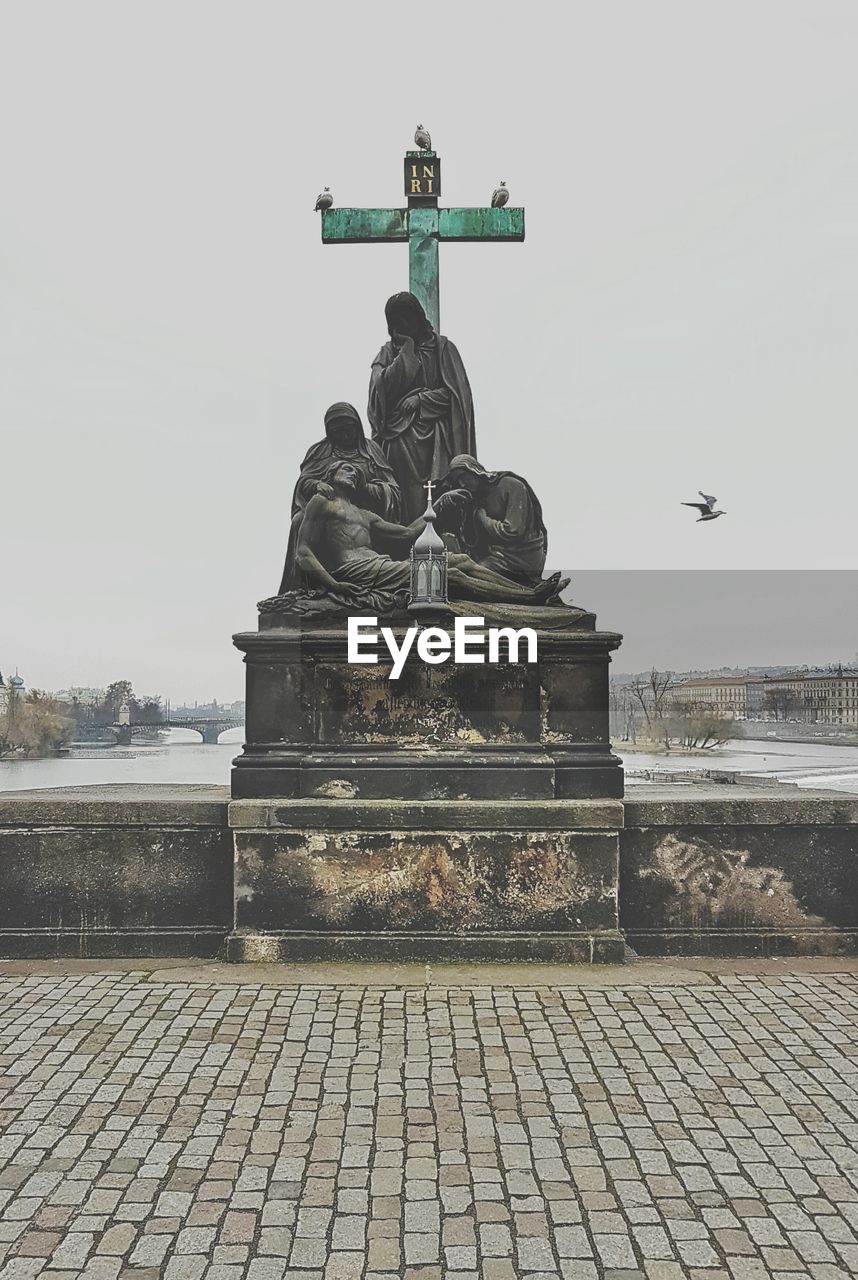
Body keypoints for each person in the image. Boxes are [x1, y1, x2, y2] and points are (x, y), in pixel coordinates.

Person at [295, 461, 564, 605]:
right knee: (449, 575)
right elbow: (303, 552)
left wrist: (439, 503)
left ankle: (529, 592)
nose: (354, 474)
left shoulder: (366, 515)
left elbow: (405, 534)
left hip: (379, 565)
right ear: (331, 474)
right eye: (347, 468)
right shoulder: (322, 503)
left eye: (357, 471)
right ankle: (528, 598)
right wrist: (333, 584)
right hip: (354, 570)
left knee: (460, 561)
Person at [367, 292, 476, 522]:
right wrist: (406, 352)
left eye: (406, 318)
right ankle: (404, 537)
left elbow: (457, 396)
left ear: (417, 317)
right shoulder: (387, 354)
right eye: (396, 321)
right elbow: (379, 396)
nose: (402, 325)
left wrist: (421, 400)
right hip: (398, 440)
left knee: (437, 492)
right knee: (403, 497)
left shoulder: (442, 348)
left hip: (435, 438)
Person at [278, 402, 400, 593]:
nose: (344, 435)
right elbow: (303, 482)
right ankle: (302, 586)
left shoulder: (371, 450)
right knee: (299, 521)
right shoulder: (319, 451)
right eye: (338, 431)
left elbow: (392, 489)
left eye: (349, 429)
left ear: (357, 427)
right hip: (328, 510)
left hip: (365, 513)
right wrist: (317, 485)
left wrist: (365, 488)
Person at [435, 455, 548, 585]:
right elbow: (471, 539)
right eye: (457, 481)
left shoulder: (511, 485)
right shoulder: (477, 497)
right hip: (499, 555)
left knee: (471, 576)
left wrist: (482, 517)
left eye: (463, 477)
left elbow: (512, 532)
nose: (462, 484)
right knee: (459, 572)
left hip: (521, 558)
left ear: (475, 471)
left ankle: (526, 594)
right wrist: (450, 503)